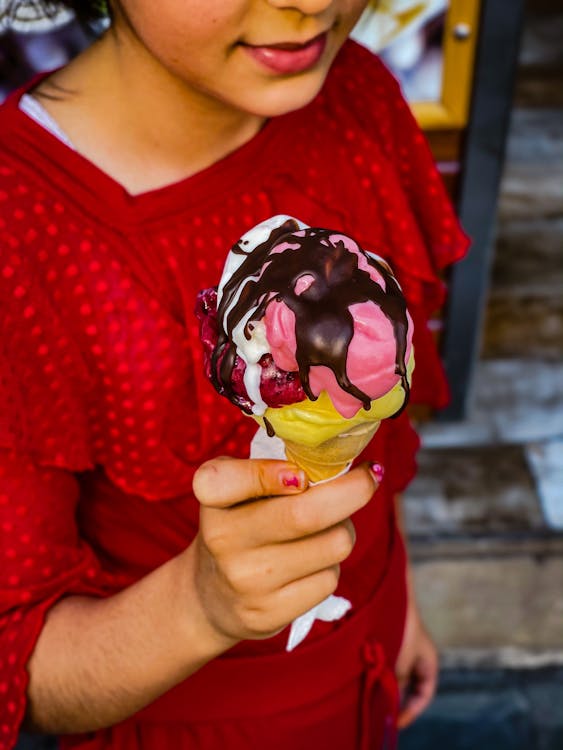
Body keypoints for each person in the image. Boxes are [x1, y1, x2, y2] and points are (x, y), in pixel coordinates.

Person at [0, 0, 469, 748]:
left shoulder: (354, 94)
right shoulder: (20, 227)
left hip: (367, 659)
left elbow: (378, 421)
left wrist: (395, 597)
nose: (312, 3)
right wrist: (201, 604)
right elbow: (28, 676)